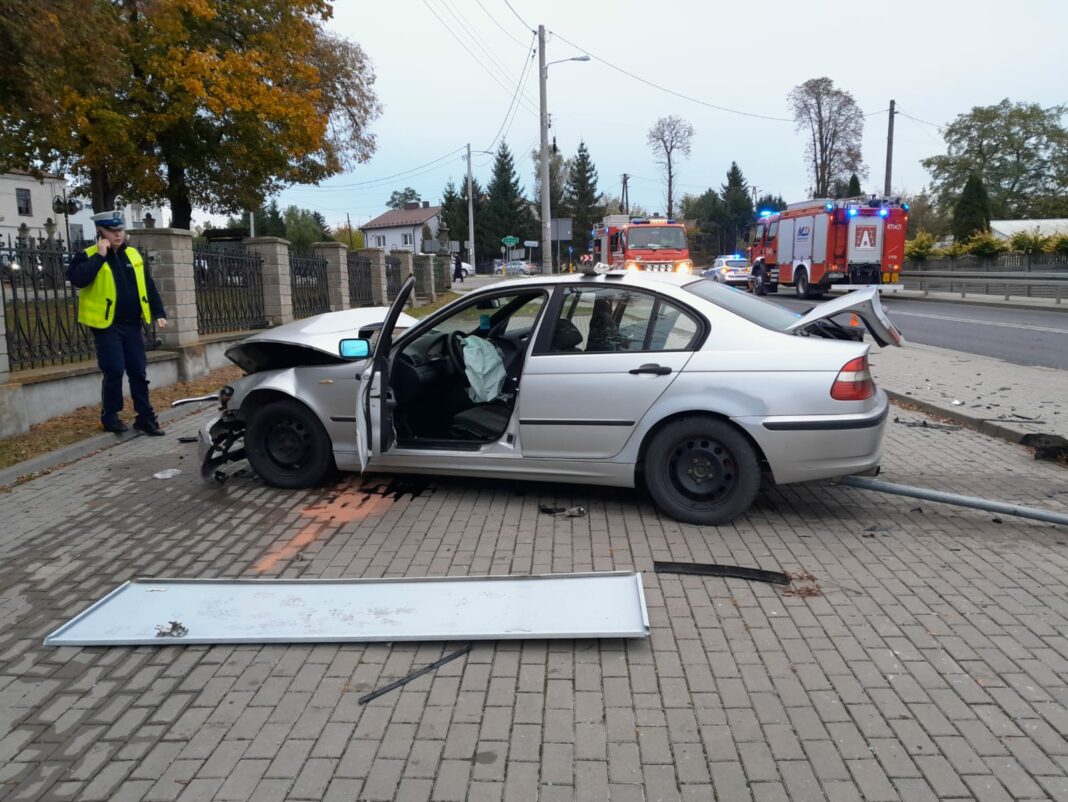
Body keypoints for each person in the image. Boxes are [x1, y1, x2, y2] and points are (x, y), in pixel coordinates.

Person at [67, 210, 168, 436]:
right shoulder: (87, 255)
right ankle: (110, 416)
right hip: (106, 325)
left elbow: (148, 286)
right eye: (112, 231)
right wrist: (100, 257)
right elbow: (78, 280)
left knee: (138, 372)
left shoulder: (133, 255)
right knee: (114, 370)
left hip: (132, 323)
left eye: (120, 230)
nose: (118, 235)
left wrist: (159, 312)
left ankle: (145, 417)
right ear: (100, 232)